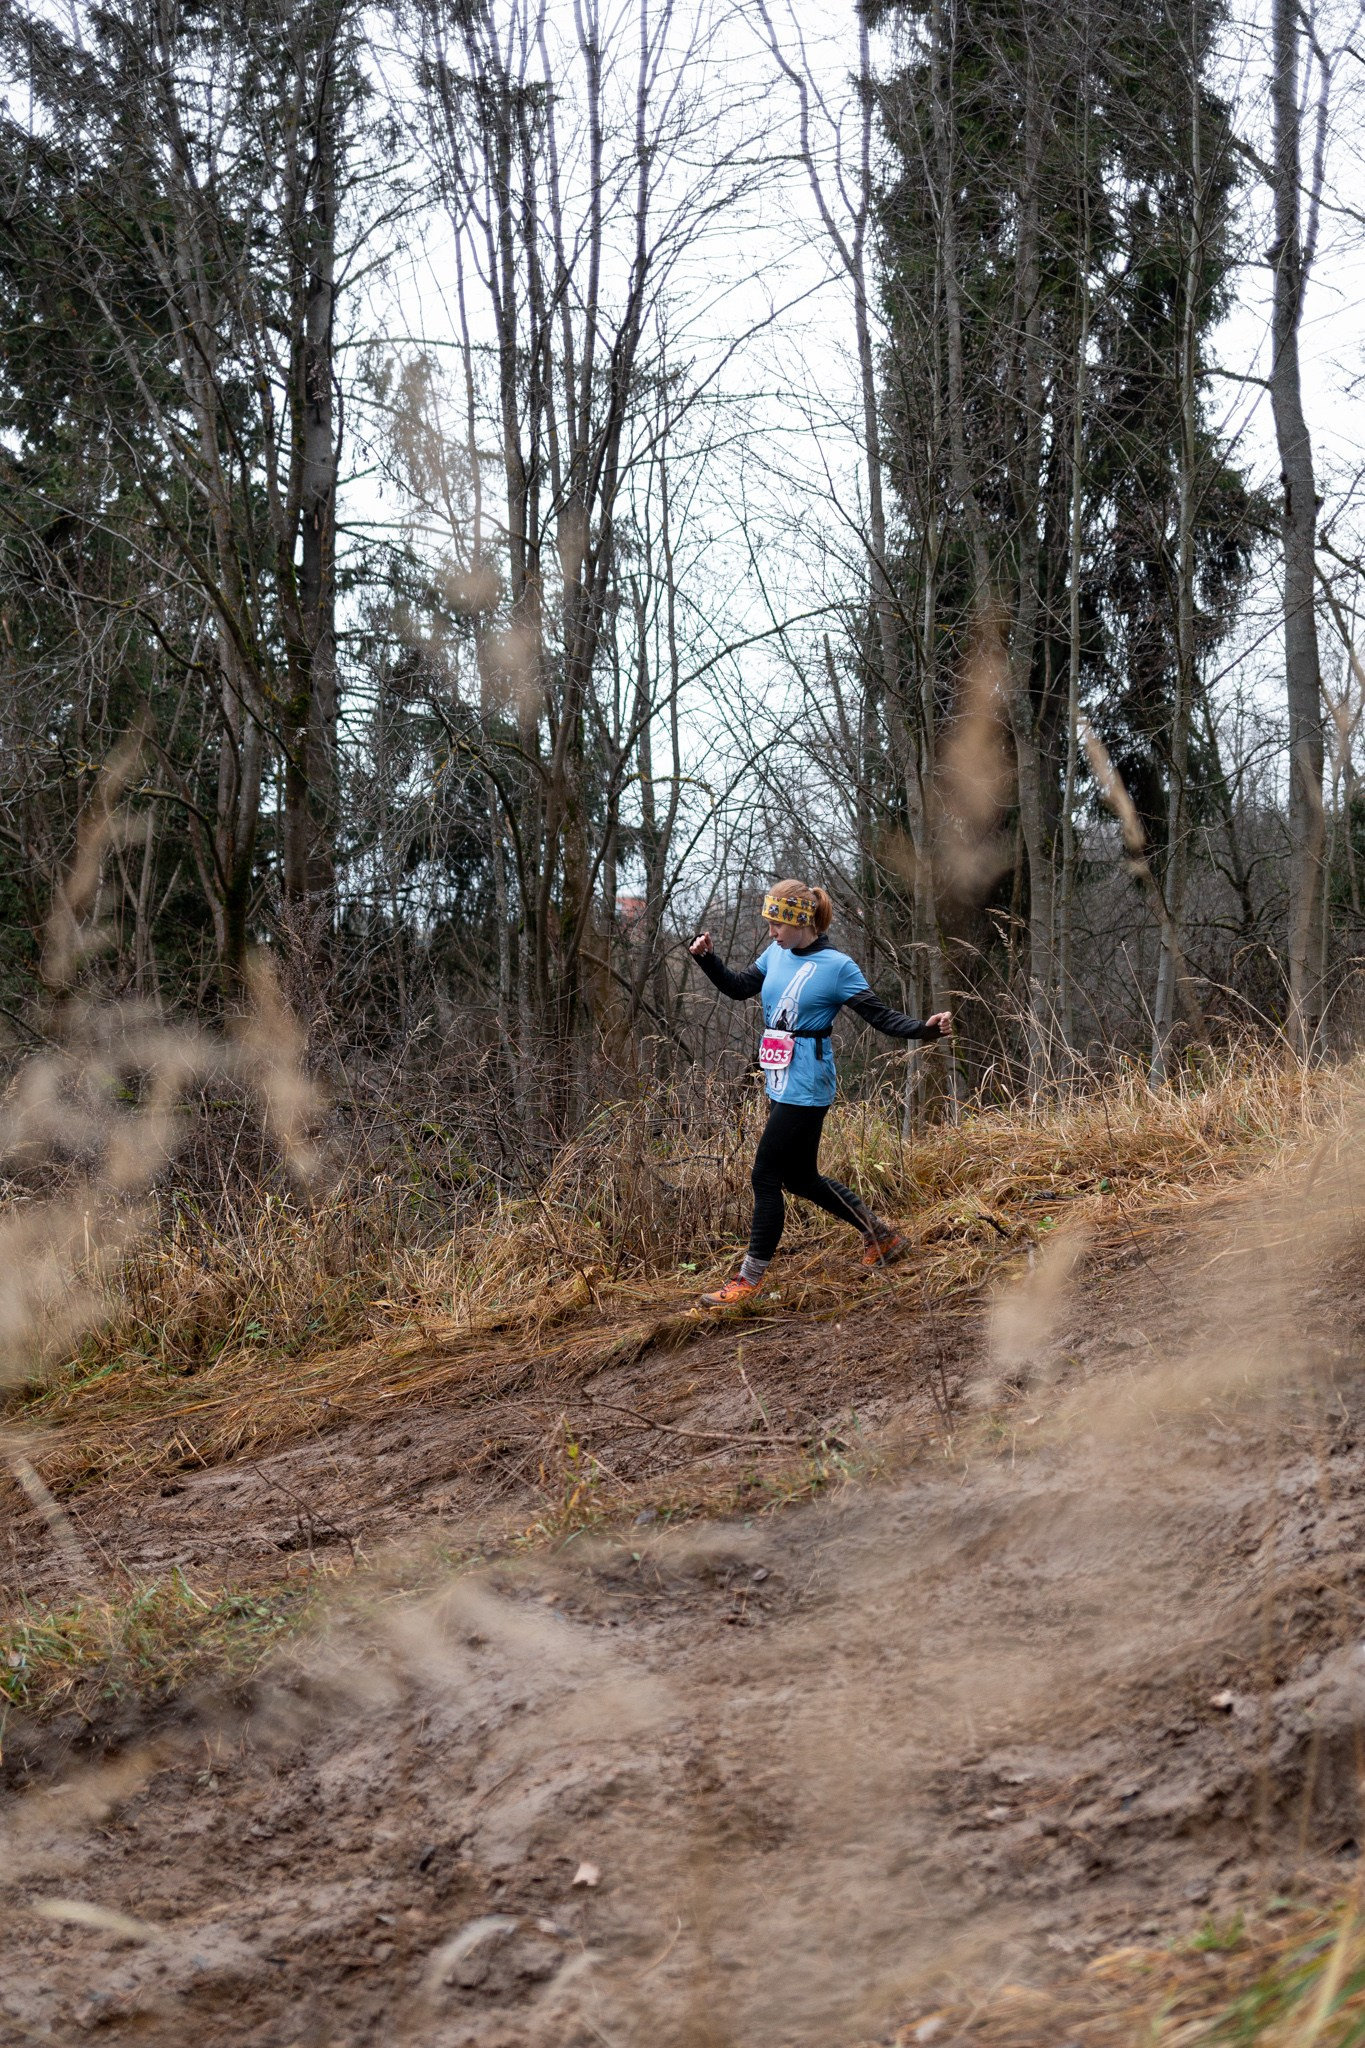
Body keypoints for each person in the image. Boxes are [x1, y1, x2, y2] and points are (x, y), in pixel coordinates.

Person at [688, 881, 952, 1309]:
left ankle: (748, 1281)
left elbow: (880, 1016)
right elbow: (738, 987)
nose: (772, 931)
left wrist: (924, 1029)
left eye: (777, 923)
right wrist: (707, 959)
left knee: (765, 1176)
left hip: (808, 1083)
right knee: (800, 1178)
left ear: (801, 920)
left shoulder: (837, 967)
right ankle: (881, 1236)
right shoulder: (776, 953)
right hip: (780, 1077)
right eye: (770, 923)